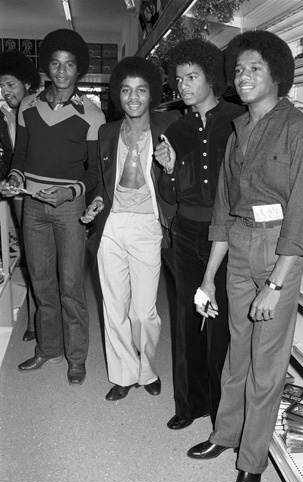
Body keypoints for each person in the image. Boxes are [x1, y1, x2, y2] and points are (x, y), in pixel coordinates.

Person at [186, 30, 303, 482]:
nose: (244, 77)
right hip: (240, 248)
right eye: (239, 70)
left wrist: (277, 284)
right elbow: (225, 209)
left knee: (267, 365)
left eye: (255, 69)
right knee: (235, 353)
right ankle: (225, 434)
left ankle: (252, 462)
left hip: (278, 252)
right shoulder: (237, 132)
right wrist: (208, 275)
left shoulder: (300, 130)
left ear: (278, 77)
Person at [1, 29, 106, 385]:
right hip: (32, 206)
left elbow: (95, 172)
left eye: (70, 65)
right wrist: (15, 177)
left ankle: (76, 357)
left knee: (71, 285)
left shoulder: (92, 114)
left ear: (80, 70)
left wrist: (71, 192)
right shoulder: (27, 106)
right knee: (42, 283)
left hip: (69, 208)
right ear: (47, 66)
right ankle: (48, 348)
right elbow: (20, 155)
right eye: (56, 64)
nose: (62, 71)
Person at [153, 38, 244, 430]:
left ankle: (224, 414)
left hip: (227, 234)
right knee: (187, 323)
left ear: (212, 78)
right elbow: (169, 194)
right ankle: (190, 404)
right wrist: (170, 170)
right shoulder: (175, 129)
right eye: (179, 79)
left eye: (193, 77)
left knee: (220, 327)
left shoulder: (239, 120)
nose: (184, 86)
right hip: (186, 232)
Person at [81, 56, 180, 401]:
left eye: (140, 90)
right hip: (112, 225)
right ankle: (123, 373)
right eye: (126, 90)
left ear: (152, 94)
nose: (133, 97)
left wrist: (171, 169)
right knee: (114, 305)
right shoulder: (107, 132)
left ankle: (147, 369)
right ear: (117, 95)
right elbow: (101, 181)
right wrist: (95, 202)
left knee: (143, 311)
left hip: (148, 225)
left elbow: (185, 182)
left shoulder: (170, 126)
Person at [0, 50, 41, 342]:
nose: (6, 91)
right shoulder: (1, 120)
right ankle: (34, 318)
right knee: (29, 259)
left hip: (44, 196)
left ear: (27, 84)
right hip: (17, 198)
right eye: (2, 86)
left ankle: (48, 317)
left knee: (46, 261)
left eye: (11, 84)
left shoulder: (39, 112)